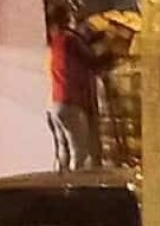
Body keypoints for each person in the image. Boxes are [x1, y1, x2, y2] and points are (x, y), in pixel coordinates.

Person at [46, 3, 101, 172]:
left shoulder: (53, 42)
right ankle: (74, 184)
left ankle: (59, 180)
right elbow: (91, 61)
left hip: (54, 104)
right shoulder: (70, 40)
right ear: (67, 19)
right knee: (80, 152)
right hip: (70, 102)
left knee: (63, 149)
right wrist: (109, 55)